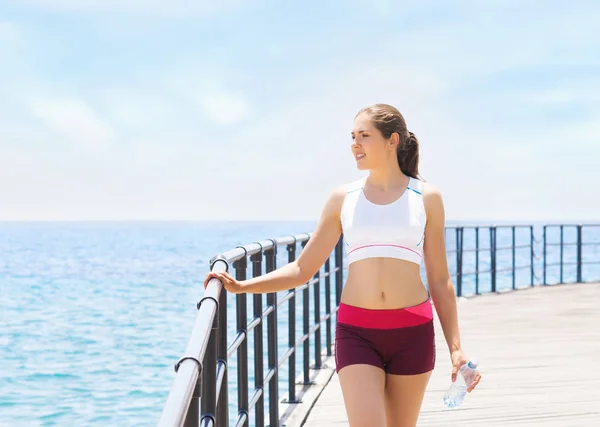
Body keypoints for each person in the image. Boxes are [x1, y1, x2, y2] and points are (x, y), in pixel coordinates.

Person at [204, 103, 481, 427]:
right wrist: (243, 286)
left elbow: (440, 280)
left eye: (364, 136)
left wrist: (456, 349)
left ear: (392, 140)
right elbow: (302, 269)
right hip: (357, 333)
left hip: (412, 333)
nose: (355, 144)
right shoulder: (343, 198)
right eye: (353, 136)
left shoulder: (426, 197)